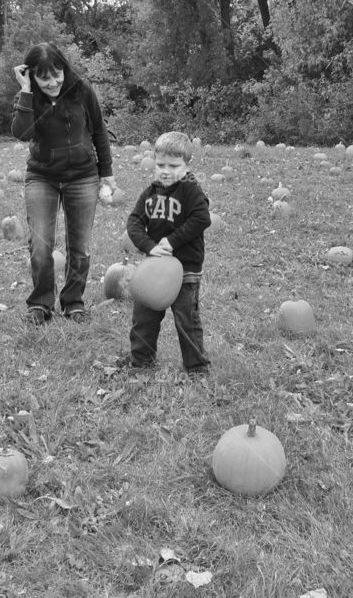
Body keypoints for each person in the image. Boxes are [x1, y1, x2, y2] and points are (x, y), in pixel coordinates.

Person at [11, 42, 116, 324]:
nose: (52, 82)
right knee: (41, 245)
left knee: (80, 247)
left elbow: (99, 132)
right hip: (42, 177)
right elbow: (23, 133)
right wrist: (26, 91)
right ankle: (41, 304)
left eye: (56, 73)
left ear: (64, 69)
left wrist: (107, 173)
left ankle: (73, 302)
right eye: (43, 77)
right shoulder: (29, 96)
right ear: (31, 75)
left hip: (82, 176)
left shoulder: (81, 90)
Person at [122, 131, 211, 374]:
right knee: (144, 317)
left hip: (186, 268)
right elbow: (134, 222)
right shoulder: (151, 192)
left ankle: (196, 368)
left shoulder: (190, 190)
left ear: (186, 165)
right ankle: (141, 361)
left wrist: (171, 242)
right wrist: (150, 247)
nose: (166, 170)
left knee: (186, 320)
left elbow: (201, 219)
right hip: (156, 268)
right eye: (160, 164)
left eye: (174, 165)